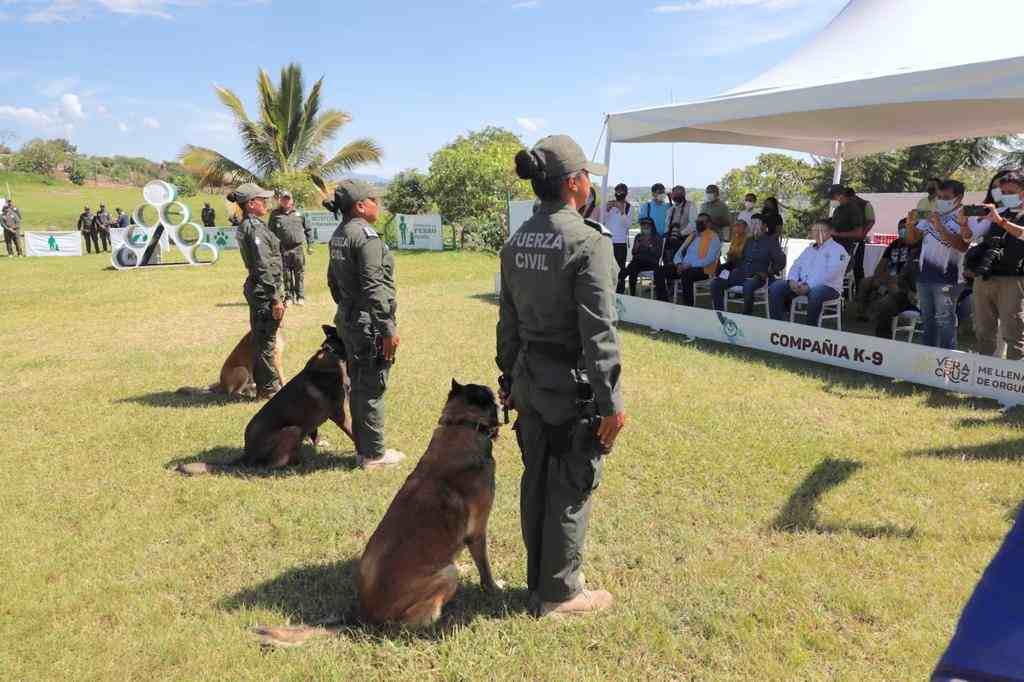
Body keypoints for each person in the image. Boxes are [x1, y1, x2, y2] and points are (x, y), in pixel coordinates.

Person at [499, 134, 625, 618]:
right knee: (570, 484)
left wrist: (509, 380)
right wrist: (610, 402)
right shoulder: (588, 241)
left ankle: (539, 580)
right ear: (573, 183)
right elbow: (600, 332)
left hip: (529, 379)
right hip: (570, 387)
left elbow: (506, 323)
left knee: (537, 480)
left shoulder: (516, 242)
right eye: (587, 176)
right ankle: (560, 594)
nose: (590, 184)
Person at [327, 179, 405, 470]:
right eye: (374, 199)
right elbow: (374, 287)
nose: (378, 204)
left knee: (359, 384)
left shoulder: (339, 234)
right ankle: (373, 455)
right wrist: (386, 327)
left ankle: (365, 449)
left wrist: (347, 307)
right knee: (371, 385)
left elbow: (332, 280)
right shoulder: (366, 237)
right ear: (360, 205)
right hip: (368, 323)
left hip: (349, 318)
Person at [231, 182, 285, 399]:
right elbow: (262, 264)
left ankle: (266, 386)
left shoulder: (253, 225)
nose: (267, 203)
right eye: (262, 200)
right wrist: (274, 298)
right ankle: (269, 390)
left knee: (263, 340)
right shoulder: (253, 228)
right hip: (264, 292)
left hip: (261, 289)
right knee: (266, 343)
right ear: (251, 204)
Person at [906, 180, 971, 349]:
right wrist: (909, 225)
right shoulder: (933, 213)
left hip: (948, 279)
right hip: (925, 276)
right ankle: (928, 360)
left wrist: (940, 227)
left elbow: (963, 246)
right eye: (939, 197)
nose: (941, 200)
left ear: (959, 197)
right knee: (927, 321)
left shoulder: (965, 217)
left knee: (945, 321)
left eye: (946, 197)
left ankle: (947, 363)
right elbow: (912, 239)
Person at [967, 171, 1024, 359]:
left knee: (1013, 332)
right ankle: (984, 377)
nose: (1006, 197)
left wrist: (1000, 221)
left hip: (1013, 280)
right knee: (983, 331)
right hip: (985, 276)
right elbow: (970, 237)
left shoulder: (1001, 217)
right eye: (1003, 192)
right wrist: (963, 222)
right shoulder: (999, 213)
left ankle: (1016, 382)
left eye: (1011, 192)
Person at [768, 220, 847, 324]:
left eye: (822, 230)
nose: (817, 234)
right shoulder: (809, 249)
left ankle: (809, 329)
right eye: (815, 230)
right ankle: (777, 324)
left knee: (816, 293)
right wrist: (792, 280)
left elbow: (831, 274)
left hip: (828, 287)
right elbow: (796, 265)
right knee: (776, 286)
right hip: (802, 283)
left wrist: (808, 286)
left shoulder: (838, 250)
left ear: (830, 232)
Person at [711, 215, 786, 315]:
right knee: (715, 283)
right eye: (752, 223)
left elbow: (781, 262)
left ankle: (746, 316)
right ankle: (719, 314)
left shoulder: (771, 242)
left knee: (748, 286)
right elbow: (742, 259)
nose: (753, 226)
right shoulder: (749, 240)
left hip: (758, 276)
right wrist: (729, 266)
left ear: (764, 226)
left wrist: (768, 272)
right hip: (740, 273)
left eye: (756, 223)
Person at [854, 218, 919, 320]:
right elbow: (881, 265)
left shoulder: (916, 246)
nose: (902, 231)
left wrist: (891, 279)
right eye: (900, 228)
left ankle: (879, 313)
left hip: (903, 281)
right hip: (888, 277)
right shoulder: (894, 244)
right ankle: (862, 312)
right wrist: (879, 277)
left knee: (891, 286)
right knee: (865, 282)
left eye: (905, 228)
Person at [655, 213, 721, 304]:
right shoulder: (693, 235)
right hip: (683, 266)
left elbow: (709, 259)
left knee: (686, 274)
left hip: (703, 269)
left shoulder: (714, 237)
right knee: (659, 270)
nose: (698, 223)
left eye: (702, 222)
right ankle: (663, 301)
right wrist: (678, 264)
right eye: (697, 221)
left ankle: (687, 306)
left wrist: (689, 265)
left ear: (709, 224)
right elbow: (678, 253)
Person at [269, 190, 312, 306]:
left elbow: (308, 230)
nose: (286, 201)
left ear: (292, 200)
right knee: (286, 274)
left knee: (299, 274)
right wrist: (272, 250)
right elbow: (270, 233)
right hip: (283, 249)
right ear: (280, 201)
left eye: (288, 199)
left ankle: (300, 296)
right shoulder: (275, 215)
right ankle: (288, 297)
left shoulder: (300, 213)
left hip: (298, 248)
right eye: (284, 199)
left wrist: (310, 245)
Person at [618, 217, 662, 296]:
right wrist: (636, 247)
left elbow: (658, 254)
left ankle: (622, 277)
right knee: (632, 269)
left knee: (632, 267)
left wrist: (649, 246)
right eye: (643, 226)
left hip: (651, 262)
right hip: (638, 261)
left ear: (651, 227)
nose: (644, 228)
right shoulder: (638, 236)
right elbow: (633, 253)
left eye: (647, 226)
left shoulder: (657, 237)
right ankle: (631, 293)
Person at [663, 185, 696, 265]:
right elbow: (667, 225)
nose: (676, 195)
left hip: (685, 241)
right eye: (675, 193)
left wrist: (680, 233)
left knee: (681, 263)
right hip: (670, 241)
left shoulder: (690, 205)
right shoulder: (671, 209)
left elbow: (693, 224)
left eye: (679, 193)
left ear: (683, 194)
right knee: (669, 264)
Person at [605, 183, 632, 279]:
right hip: (608, 241)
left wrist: (622, 212)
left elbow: (627, 225)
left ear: (626, 193)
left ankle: (620, 289)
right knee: (607, 268)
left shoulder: (628, 207)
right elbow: (604, 220)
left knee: (620, 269)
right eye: (617, 191)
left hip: (620, 243)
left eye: (621, 191)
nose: (619, 193)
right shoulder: (610, 204)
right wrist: (607, 210)